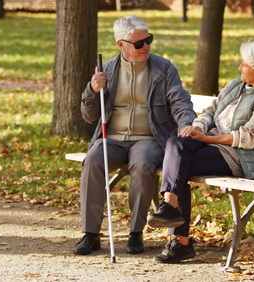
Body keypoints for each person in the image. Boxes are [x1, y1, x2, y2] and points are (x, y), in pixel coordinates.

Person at [147, 39, 254, 263]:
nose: (240, 67)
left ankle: (179, 239)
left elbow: (250, 137)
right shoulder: (237, 85)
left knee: (178, 168)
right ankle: (170, 208)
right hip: (211, 142)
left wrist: (205, 137)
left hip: (239, 156)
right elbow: (211, 110)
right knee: (176, 143)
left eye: (245, 64)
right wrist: (196, 129)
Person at [74, 15, 196, 256]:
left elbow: (180, 102)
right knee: (92, 160)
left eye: (148, 40)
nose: (146, 46)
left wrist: (187, 124)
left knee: (141, 165)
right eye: (139, 43)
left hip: (148, 139)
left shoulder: (164, 68)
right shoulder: (107, 69)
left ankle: (135, 232)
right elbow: (89, 116)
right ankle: (90, 233)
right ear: (121, 45)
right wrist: (92, 89)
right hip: (112, 138)